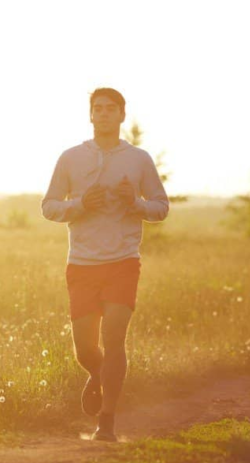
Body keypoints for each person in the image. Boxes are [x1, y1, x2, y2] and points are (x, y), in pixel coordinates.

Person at [40, 87, 169, 441]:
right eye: (97, 109)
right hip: (81, 263)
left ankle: (106, 423)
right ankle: (97, 376)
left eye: (111, 109)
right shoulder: (70, 158)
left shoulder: (139, 159)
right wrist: (81, 203)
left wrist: (137, 203)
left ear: (122, 115)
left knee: (114, 340)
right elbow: (49, 206)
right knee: (85, 349)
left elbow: (161, 207)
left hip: (123, 262)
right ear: (91, 115)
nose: (104, 114)